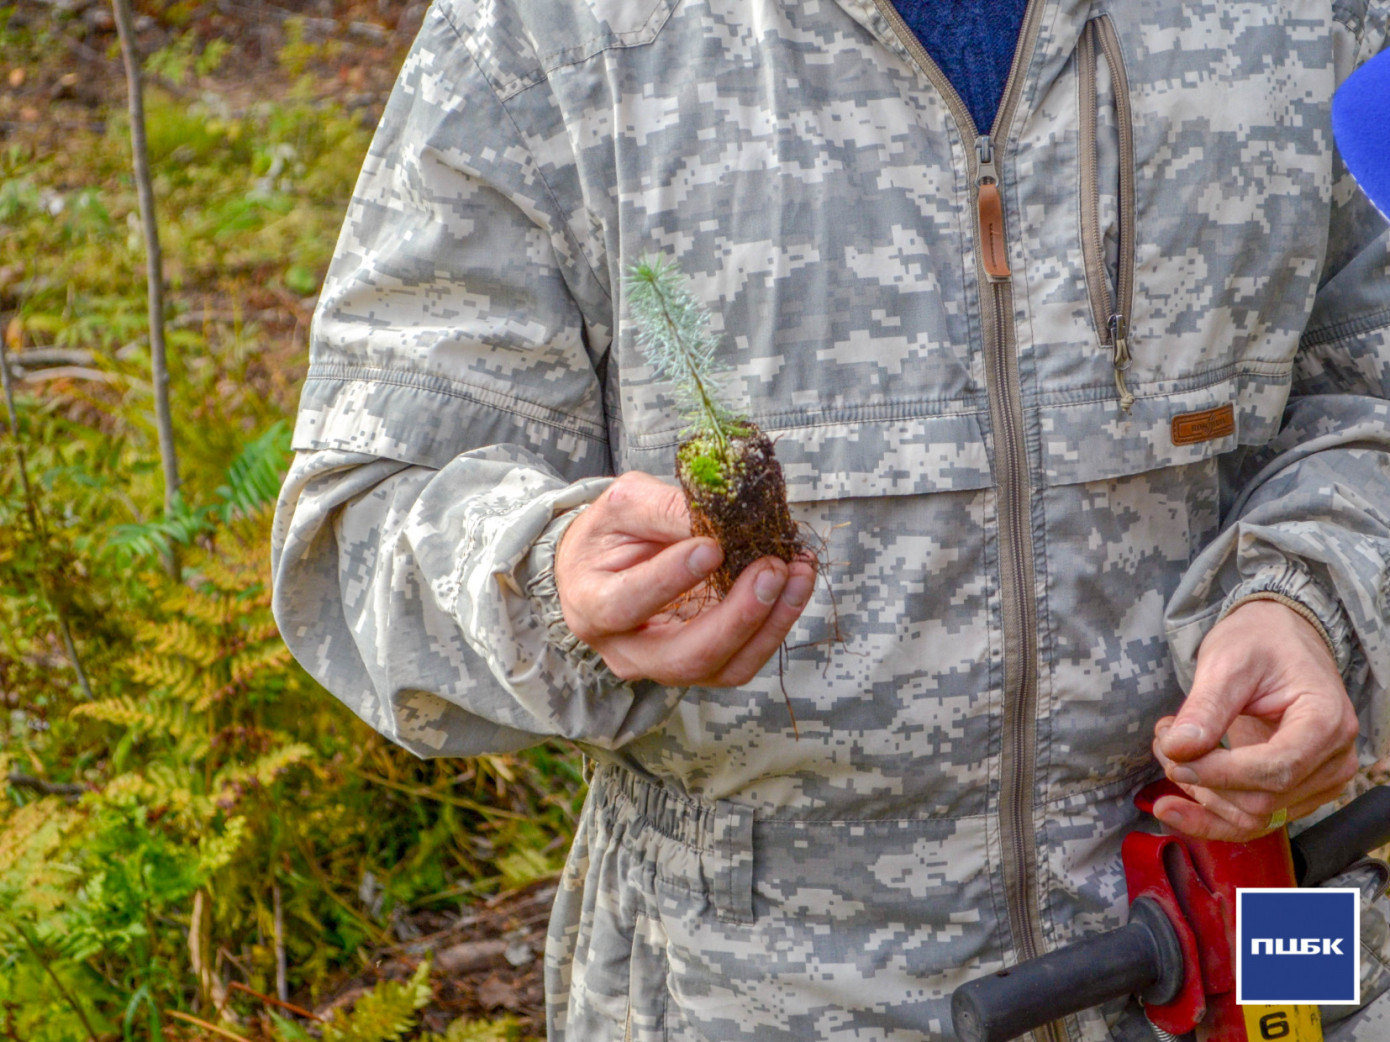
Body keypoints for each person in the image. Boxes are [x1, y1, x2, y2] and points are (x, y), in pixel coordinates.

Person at [271, 1, 1390, 1038]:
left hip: (1265, 910)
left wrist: (1313, 597)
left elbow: (1373, 382)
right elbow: (358, 523)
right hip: (758, 988)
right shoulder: (554, 37)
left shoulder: (1309, 19)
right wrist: (549, 583)